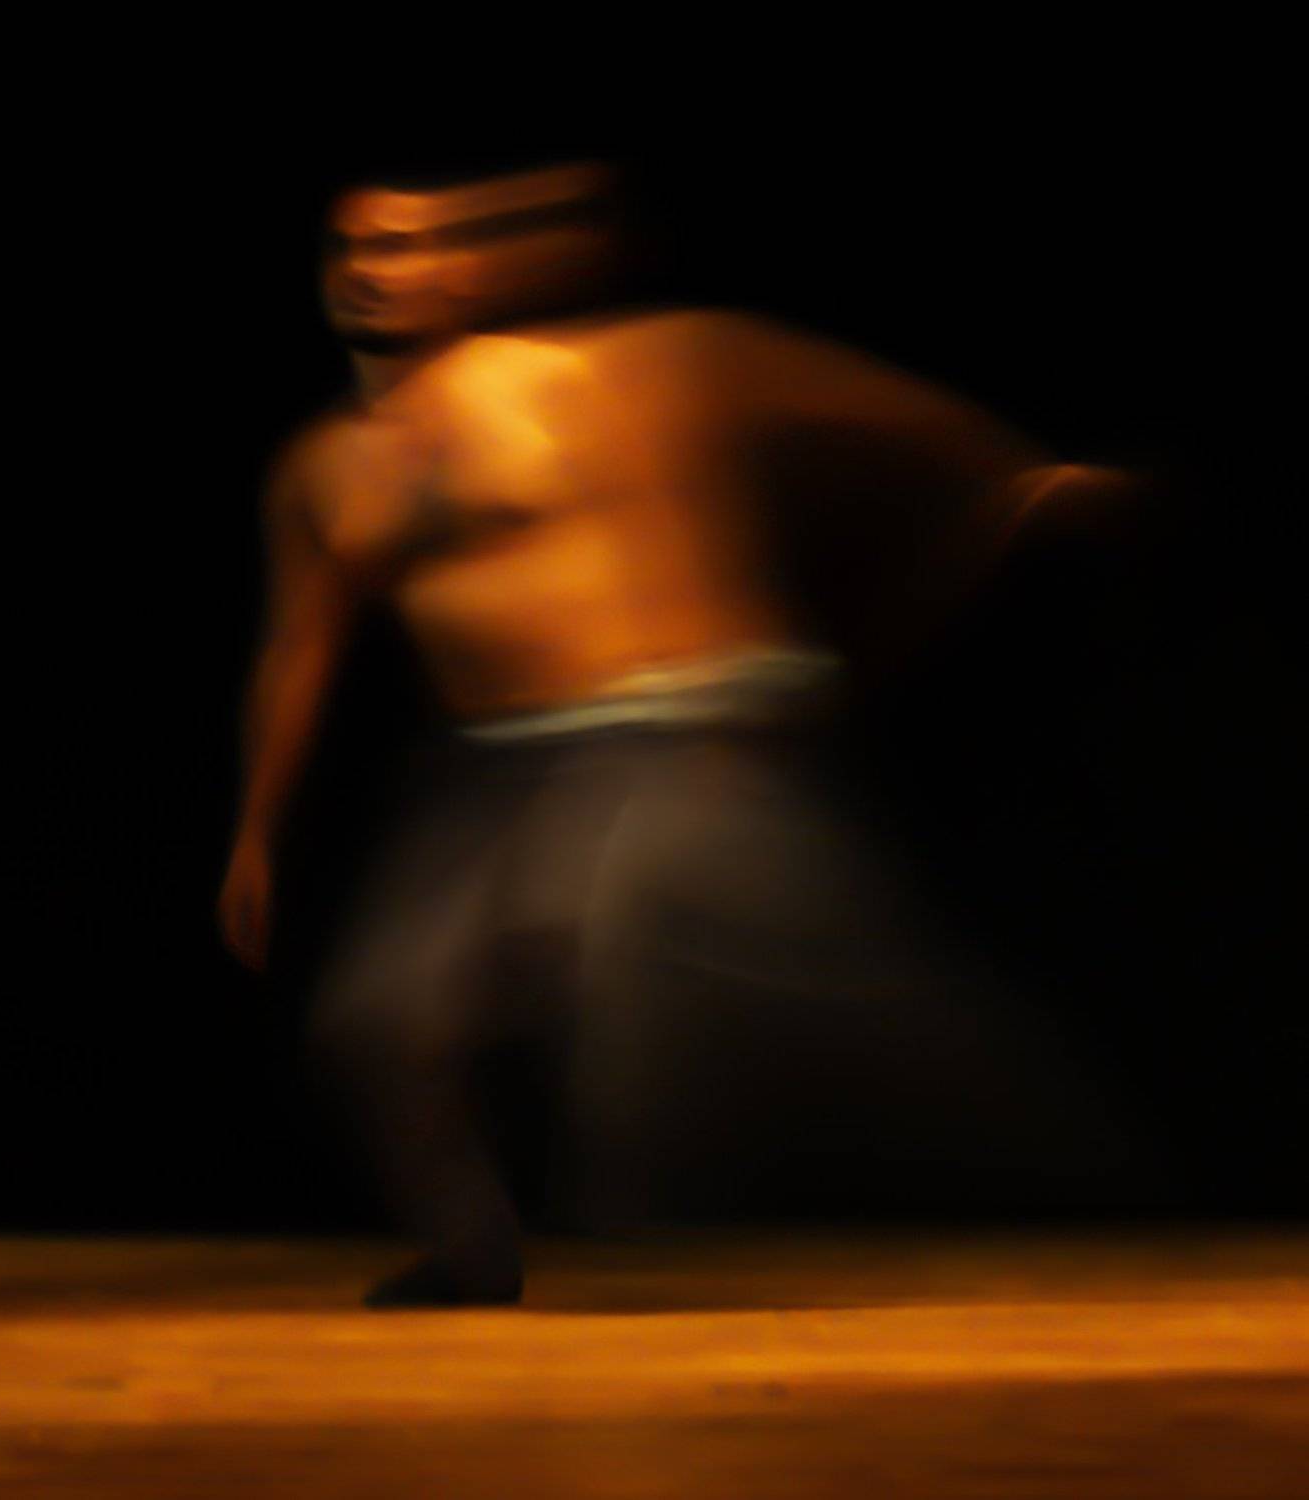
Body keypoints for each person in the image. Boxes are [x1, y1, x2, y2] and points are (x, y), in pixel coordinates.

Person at [219, 161, 1147, 1306]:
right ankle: (472, 1249)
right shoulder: (321, 469)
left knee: (615, 953)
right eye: (351, 248)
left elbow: (832, 399)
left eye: (405, 246)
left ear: (467, 268)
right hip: (496, 770)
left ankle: (1039, 1152)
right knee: (376, 1023)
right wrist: (256, 830)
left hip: (666, 734)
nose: (371, 271)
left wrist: (1013, 474)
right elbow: (297, 651)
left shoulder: (584, 374)